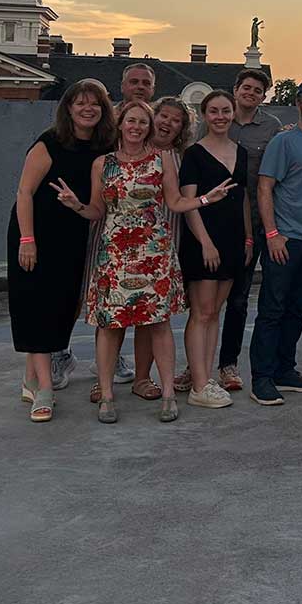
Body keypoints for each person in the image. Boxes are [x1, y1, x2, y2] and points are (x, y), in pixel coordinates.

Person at [54, 99, 235, 424]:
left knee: (158, 324)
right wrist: (75, 205)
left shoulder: (160, 160)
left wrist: (207, 198)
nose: (136, 127)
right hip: (114, 254)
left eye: (142, 122)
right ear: (120, 123)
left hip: (154, 253)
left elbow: (175, 202)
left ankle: (167, 394)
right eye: (131, 121)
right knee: (110, 326)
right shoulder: (102, 164)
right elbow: (97, 211)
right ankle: (106, 396)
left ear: (148, 128)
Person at [8, 81, 115, 422]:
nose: (88, 109)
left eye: (95, 104)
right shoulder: (49, 142)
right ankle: (44, 390)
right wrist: (27, 239)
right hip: (36, 234)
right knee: (36, 307)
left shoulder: (105, 147)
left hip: (74, 235)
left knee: (62, 308)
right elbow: (24, 193)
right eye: (80, 103)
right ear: (68, 108)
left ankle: (31, 378)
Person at [49, 61, 156, 390]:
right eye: (134, 81)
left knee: (131, 298)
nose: (139, 87)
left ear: (153, 88)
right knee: (83, 292)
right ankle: (60, 351)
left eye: (146, 83)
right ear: (122, 86)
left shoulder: (148, 123)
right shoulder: (105, 122)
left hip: (135, 227)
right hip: (96, 218)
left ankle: (111, 361)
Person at [250, 80, 302, 407]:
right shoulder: (283, 142)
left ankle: (285, 370)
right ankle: (262, 378)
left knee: (297, 311)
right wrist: (272, 234)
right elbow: (264, 188)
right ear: (298, 105)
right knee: (272, 311)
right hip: (286, 241)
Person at [114, 95, 193, 403]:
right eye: (163, 116)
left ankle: (143, 377)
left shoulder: (179, 158)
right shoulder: (119, 153)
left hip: (162, 244)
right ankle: (105, 377)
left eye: (176, 120)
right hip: (121, 243)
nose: (168, 123)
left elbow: (182, 201)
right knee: (113, 315)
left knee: (150, 316)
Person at [177, 90, 252, 409]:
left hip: (233, 242)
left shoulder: (241, 152)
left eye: (225, 111)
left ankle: (205, 378)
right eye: (214, 111)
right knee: (202, 312)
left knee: (214, 313)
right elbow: (188, 204)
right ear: (205, 115)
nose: (220, 117)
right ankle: (198, 385)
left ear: (233, 113)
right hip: (203, 242)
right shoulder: (194, 154)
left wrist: (248, 238)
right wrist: (205, 243)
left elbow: (243, 198)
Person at [212, 67, 275, 395]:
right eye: (246, 87)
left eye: (257, 90)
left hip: (253, 222)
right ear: (235, 89)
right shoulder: (216, 119)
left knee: (238, 299)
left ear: (263, 96)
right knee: (205, 301)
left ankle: (228, 364)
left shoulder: (271, 128)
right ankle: (195, 365)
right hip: (212, 221)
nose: (250, 93)